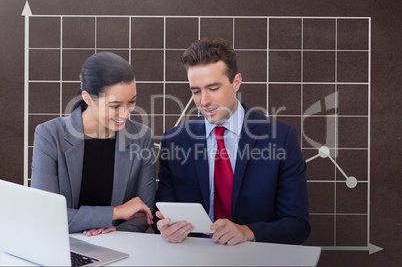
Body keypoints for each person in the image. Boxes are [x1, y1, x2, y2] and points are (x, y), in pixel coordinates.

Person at [155, 38, 310, 245]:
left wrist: (247, 232)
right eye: (196, 91)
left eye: (213, 88)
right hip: (194, 256)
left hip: (255, 258)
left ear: (236, 82)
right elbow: (163, 215)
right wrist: (164, 229)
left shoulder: (281, 139)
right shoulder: (174, 141)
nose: (204, 101)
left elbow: (298, 225)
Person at [31, 52, 156, 236]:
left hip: (118, 245)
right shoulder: (50, 135)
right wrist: (114, 213)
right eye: (115, 106)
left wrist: (115, 230)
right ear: (87, 98)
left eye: (132, 102)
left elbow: (142, 213)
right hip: (62, 245)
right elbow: (45, 215)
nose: (125, 114)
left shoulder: (142, 137)